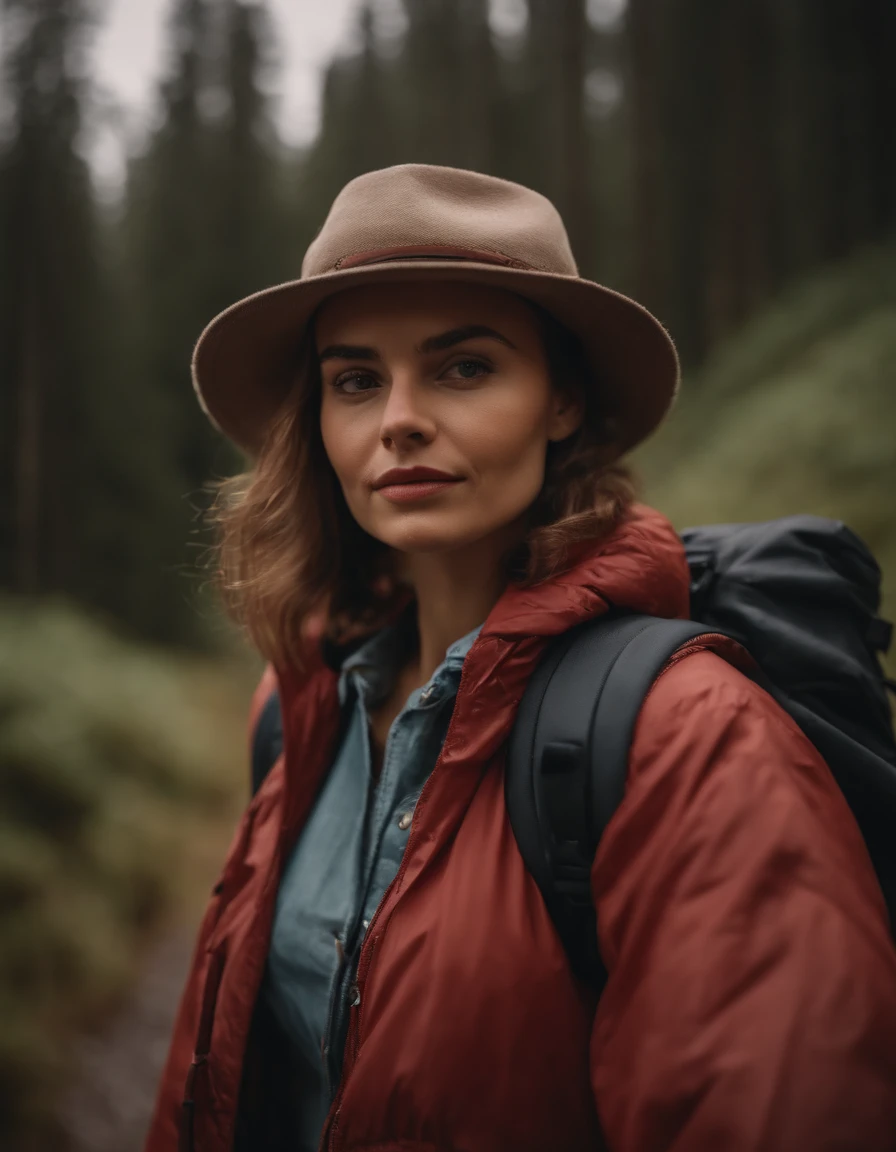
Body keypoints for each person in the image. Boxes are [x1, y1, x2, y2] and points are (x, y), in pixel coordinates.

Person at [145, 164, 896, 1152]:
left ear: (562, 401)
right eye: (356, 379)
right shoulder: (301, 707)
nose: (396, 418)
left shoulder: (688, 733)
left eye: (463, 367)